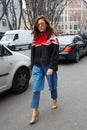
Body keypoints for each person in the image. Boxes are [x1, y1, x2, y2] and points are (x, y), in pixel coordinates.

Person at [29, 15, 59, 125]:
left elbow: (55, 54)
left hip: (48, 66)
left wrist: (51, 67)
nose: (40, 26)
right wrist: (32, 66)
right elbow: (32, 54)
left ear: (46, 24)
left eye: (42, 24)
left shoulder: (52, 37)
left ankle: (54, 98)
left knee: (52, 86)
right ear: (36, 26)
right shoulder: (35, 39)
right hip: (37, 66)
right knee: (35, 89)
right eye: (38, 24)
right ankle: (34, 111)